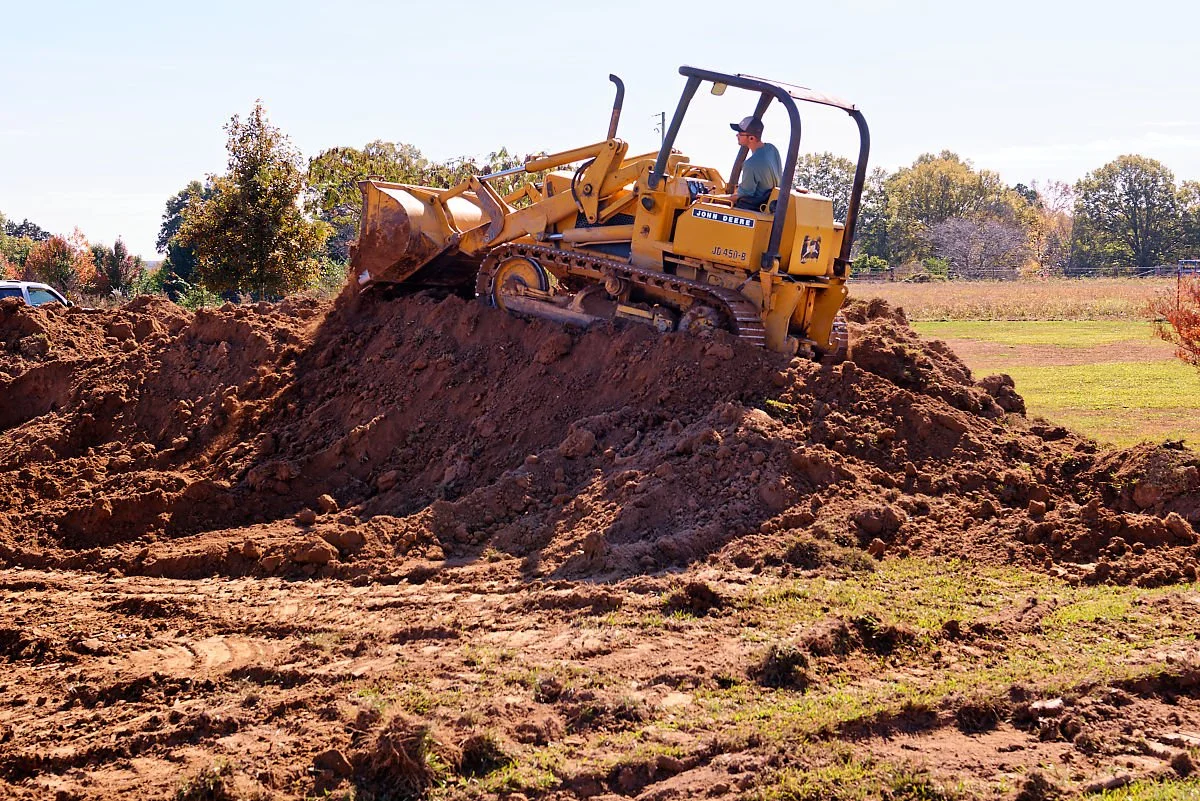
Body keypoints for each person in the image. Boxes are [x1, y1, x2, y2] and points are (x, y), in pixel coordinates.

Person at [729, 116, 781, 211]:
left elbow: (742, 196)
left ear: (751, 138)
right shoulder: (772, 149)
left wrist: (713, 199)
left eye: (740, 133)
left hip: (755, 209)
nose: (737, 135)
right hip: (771, 205)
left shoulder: (750, 164)